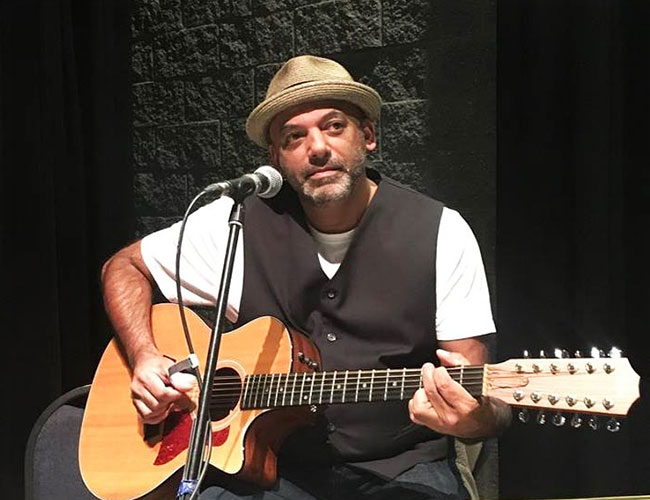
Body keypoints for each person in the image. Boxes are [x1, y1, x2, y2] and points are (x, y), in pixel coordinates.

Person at [102, 55, 510, 499]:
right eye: (294, 136)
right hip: (276, 467)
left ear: (367, 135)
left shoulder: (440, 232)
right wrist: (145, 356)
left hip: (401, 466)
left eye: (334, 126)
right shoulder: (237, 222)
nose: (317, 148)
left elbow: (480, 397)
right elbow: (124, 267)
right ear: (275, 158)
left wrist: (473, 419)